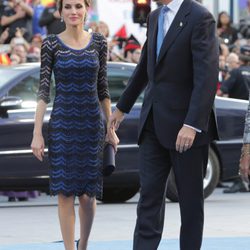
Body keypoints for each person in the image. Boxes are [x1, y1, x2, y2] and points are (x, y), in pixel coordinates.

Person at [108, 0, 219, 249]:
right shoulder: (155, 17)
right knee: (148, 198)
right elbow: (145, 67)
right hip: (152, 124)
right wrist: (121, 108)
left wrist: (192, 124)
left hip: (186, 129)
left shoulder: (200, 17)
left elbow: (207, 76)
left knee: (190, 203)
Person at [30, 0, 118, 250]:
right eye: (67, 6)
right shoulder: (50, 44)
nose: (73, 11)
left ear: (87, 8)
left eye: (78, 6)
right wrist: (37, 133)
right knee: (64, 194)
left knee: (88, 197)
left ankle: (83, 245)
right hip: (62, 126)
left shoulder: (100, 43)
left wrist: (110, 130)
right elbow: (43, 91)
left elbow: (103, 89)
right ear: (59, 11)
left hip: (92, 126)